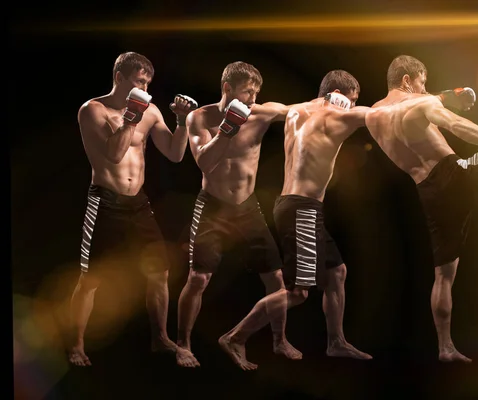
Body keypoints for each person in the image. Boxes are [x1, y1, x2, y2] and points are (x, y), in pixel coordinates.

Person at [365, 54, 478, 363]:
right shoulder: (421, 105)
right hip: (456, 173)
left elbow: (417, 105)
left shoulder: (371, 116)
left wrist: (449, 95)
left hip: (428, 192)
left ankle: (445, 347)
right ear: (408, 80)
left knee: (444, 274)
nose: (426, 89)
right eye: (423, 82)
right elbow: (455, 123)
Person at [217, 69, 374, 370]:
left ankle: (336, 341)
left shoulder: (293, 110)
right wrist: (439, 99)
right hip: (302, 209)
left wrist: (230, 103)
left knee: (337, 271)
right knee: (298, 292)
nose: (353, 107)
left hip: (300, 207)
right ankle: (235, 337)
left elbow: (251, 108)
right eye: (352, 100)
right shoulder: (335, 114)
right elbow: (382, 113)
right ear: (341, 96)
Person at [69, 51, 200, 368]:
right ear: (119, 78)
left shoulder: (151, 111)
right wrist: (131, 115)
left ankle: (160, 338)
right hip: (105, 201)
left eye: (147, 82)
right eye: (138, 81)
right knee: (91, 279)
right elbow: (114, 155)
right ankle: (76, 345)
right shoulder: (93, 110)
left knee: (159, 272)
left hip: (138, 202)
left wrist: (182, 121)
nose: (144, 87)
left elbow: (174, 153)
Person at [176, 61, 303, 368]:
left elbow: (305, 110)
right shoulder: (200, 117)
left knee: (276, 280)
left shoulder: (261, 113)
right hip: (213, 207)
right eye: (248, 92)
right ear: (227, 88)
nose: (253, 99)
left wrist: (337, 101)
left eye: (257, 92)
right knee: (198, 278)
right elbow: (205, 163)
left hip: (247, 206)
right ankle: (182, 345)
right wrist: (229, 130)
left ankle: (278, 340)